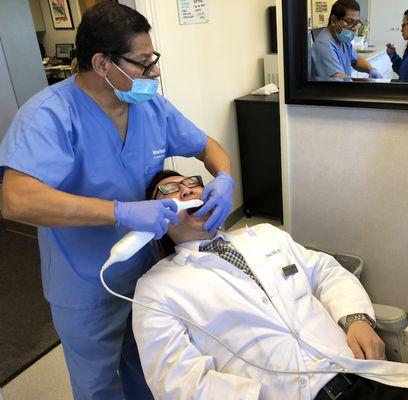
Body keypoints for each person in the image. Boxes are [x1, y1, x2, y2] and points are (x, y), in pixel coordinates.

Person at [0, 2, 234, 399]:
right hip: (86, 282)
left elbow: (207, 147)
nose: (155, 71)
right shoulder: (50, 116)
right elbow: (16, 201)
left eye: (153, 58)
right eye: (143, 63)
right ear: (103, 63)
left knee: (150, 369)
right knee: (99, 385)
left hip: (149, 273)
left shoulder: (150, 108)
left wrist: (224, 177)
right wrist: (118, 211)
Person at [130, 170, 408, 400]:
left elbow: (326, 273)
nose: (188, 190)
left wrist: (356, 319)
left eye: (193, 183)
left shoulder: (264, 235)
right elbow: (177, 383)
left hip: (361, 374)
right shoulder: (157, 289)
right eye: (170, 192)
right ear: (157, 219)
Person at [311, 0, 383, 81]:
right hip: (331, 92)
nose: (355, 27)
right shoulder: (324, 46)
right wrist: (363, 82)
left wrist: (370, 69)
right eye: (350, 22)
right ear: (334, 20)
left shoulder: (342, 39)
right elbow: (338, 79)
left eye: (357, 22)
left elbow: (355, 60)